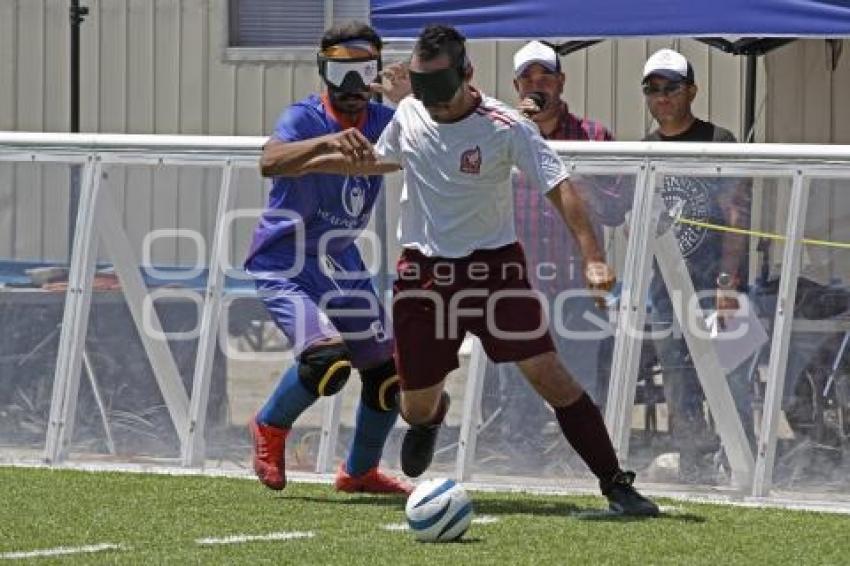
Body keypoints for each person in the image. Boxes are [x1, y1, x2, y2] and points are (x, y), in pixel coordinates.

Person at [292, 24, 659, 516]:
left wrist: (594, 258)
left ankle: (616, 483)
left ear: (468, 74)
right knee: (414, 405)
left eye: (443, 94)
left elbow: (561, 186)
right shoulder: (410, 113)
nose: (437, 107)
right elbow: (385, 159)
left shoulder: (505, 126)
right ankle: (431, 417)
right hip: (422, 275)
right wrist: (316, 159)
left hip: (494, 271)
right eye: (426, 94)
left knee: (550, 376)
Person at [248, 21, 412, 494]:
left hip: (341, 261)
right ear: (323, 71)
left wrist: (409, 101)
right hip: (285, 262)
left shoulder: (387, 120)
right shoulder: (304, 118)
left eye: (363, 71)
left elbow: (442, 136)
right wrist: (326, 145)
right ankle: (269, 427)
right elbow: (269, 161)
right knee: (327, 361)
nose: (354, 86)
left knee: (386, 376)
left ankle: (358, 472)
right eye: (342, 72)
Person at [483, 41, 631, 470]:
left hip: (577, 287)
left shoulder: (593, 137)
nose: (537, 84)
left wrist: (576, 183)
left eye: (545, 76)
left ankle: (581, 466)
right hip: (520, 286)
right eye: (528, 78)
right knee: (519, 387)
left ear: (561, 81)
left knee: (581, 383)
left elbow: (618, 208)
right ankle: (523, 467)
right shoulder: (501, 135)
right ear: (515, 86)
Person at [640, 48, 754, 482]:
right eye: (652, 88)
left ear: (691, 90)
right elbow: (638, 219)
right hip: (665, 287)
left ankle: (742, 463)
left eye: (670, 87)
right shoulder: (644, 147)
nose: (661, 96)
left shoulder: (718, 140)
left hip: (717, 283)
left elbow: (736, 216)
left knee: (733, 377)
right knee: (678, 378)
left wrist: (729, 282)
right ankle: (695, 465)